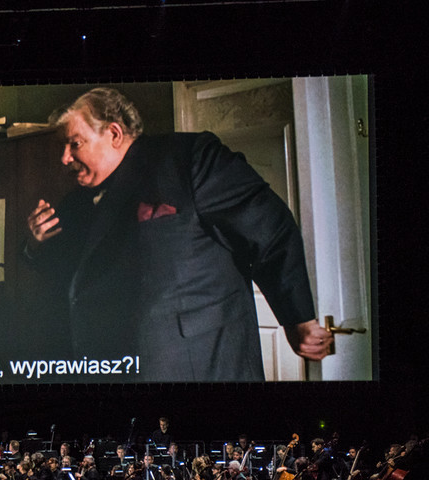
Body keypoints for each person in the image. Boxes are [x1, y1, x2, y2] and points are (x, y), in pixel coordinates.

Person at [25, 87, 333, 381]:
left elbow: (269, 228)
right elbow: (72, 277)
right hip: (110, 370)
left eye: (74, 144)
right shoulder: (75, 201)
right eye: (62, 147)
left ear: (114, 134)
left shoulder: (190, 159)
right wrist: (37, 245)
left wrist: (298, 319)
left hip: (195, 366)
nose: (64, 158)